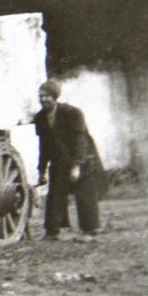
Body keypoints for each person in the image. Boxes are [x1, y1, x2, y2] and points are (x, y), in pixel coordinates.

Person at [35, 80, 105, 242]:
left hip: (82, 158)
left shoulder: (72, 113)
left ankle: (90, 231)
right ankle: (52, 232)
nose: (44, 99)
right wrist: (41, 169)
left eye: (47, 96)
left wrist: (76, 166)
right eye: (41, 96)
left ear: (55, 97)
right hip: (58, 161)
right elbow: (44, 146)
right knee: (55, 195)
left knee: (84, 194)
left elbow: (79, 141)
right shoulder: (40, 117)